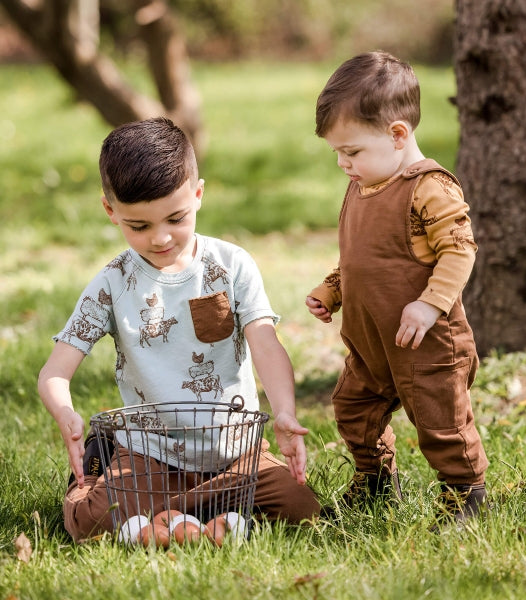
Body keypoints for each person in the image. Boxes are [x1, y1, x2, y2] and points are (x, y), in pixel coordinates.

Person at [38, 117, 319, 543]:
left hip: (234, 454)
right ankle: (118, 474)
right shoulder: (112, 283)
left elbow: (265, 342)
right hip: (151, 456)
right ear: (110, 211)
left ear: (198, 195)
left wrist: (283, 410)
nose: (161, 238)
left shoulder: (231, 265)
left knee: (303, 508)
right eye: (140, 226)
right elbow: (54, 372)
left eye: (176, 218)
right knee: (91, 521)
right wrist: (64, 413)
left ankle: (179, 517)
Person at [305, 52, 489, 525]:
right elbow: (364, 259)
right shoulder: (364, 183)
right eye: (338, 154)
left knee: (440, 421)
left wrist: (430, 306)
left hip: (426, 343)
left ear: (398, 135)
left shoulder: (428, 188)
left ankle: (465, 493)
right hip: (372, 343)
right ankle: (375, 482)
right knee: (352, 407)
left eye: (353, 151)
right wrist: (332, 289)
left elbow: (458, 250)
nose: (344, 164)